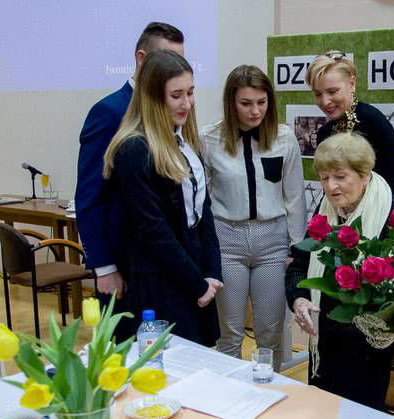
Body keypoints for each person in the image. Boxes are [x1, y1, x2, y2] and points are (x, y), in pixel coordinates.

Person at [285, 133, 394, 411]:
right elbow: (299, 267)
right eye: (324, 178)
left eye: (340, 176)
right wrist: (299, 299)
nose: (331, 187)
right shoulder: (324, 213)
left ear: (365, 175)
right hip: (325, 343)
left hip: (368, 351)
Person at [102, 50, 222, 345]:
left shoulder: (184, 140)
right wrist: (197, 283)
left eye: (191, 93)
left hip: (194, 277)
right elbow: (154, 230)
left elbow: (203, 213)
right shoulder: (134, 149)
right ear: (153, 98)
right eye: (177, 95)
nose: (187, 103)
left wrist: (211, 272)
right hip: (161, 281)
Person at [202, 65, 305, 370]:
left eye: (261, 102)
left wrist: (296, 250)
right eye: (246, 103)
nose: (255, 110)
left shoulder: (285, 138)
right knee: (230, 334)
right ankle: (231, 406)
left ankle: (268, 400)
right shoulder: (209, 139)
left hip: (272, 242)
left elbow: (295, 197)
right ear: (231, 104)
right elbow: (200, 200)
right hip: (227, 240)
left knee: (270, 334)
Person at [75, 22, 184, 307]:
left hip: (165, 260)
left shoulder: (175, 109)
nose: (175, 68)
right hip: (125, 263)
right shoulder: (109, 112)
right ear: (141, 59)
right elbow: (89, 196)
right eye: (167, 59)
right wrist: (105, 267)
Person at [306, 51, 394, 203]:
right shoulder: (324, 133)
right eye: (318, 94)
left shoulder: (374, 122)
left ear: (352, 84)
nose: (325, 101)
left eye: (332, 91)